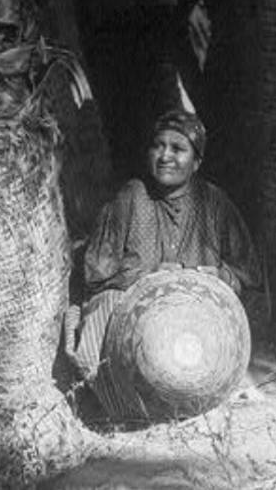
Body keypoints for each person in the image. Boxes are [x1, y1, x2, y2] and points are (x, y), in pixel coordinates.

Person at [67, 110, 262, 407]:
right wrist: (148, 275)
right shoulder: (132, 196)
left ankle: (195, 397)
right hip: (132, 322)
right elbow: (96, 272)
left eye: (178, 149)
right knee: (103, 307)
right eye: (158, 145)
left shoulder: (215, 204)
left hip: (194, 321)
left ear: (196, 162)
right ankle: (120, 403)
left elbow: (249, 276)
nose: (165, 156)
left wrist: (218, 277)